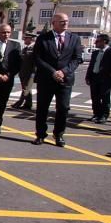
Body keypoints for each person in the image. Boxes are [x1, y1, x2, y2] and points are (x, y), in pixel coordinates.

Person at [32, 12, 83, 147]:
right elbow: (37, 58)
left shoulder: (74, 38)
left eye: (66, 21)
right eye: (61, 21)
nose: (65, 23)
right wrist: (53, 72)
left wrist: (63, 72)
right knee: (42, 108)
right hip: (46, 79)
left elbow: (77, 58)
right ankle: (40, 134)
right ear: (53, 23)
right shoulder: (43, 38)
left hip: (65, 80)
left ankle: (59, 134)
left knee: (63, 108)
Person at [85, 34, 111, 124]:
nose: (96, 43)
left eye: (97, 41)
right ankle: (96, 114)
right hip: (94, 77)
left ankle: (104, 115)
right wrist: (88, 77)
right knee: (95, 98)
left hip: (106, 78)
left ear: (104, 41)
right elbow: (91, 65)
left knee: (105, 97)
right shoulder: (95, 53)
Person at [11, 32, 36, 110]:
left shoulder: (35, 48)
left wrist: (34, 73)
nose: (24, 39)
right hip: (23, 72)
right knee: (26, 89)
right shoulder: (26, 48)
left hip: (30, 72)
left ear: (31, 39)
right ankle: (28, 104)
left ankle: (20, 103)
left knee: (26, 88)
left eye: (26, 38)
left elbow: (36, 62)